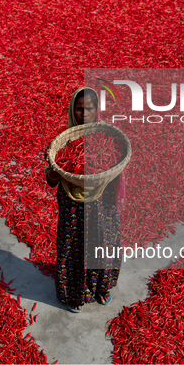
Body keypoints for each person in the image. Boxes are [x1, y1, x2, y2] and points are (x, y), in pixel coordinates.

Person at [44, 87, 124, 313]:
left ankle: (102, 287)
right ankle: (74, 294)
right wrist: (57, 171)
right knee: (74, 246)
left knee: (104, 243)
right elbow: (50, 179)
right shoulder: (62, 144)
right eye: (79, 109)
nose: (84, 114)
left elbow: (116, 166)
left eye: (89, 108)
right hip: (73, 206)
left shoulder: (107, 138)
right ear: (72, 110)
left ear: (96, 110)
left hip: (103, 204)